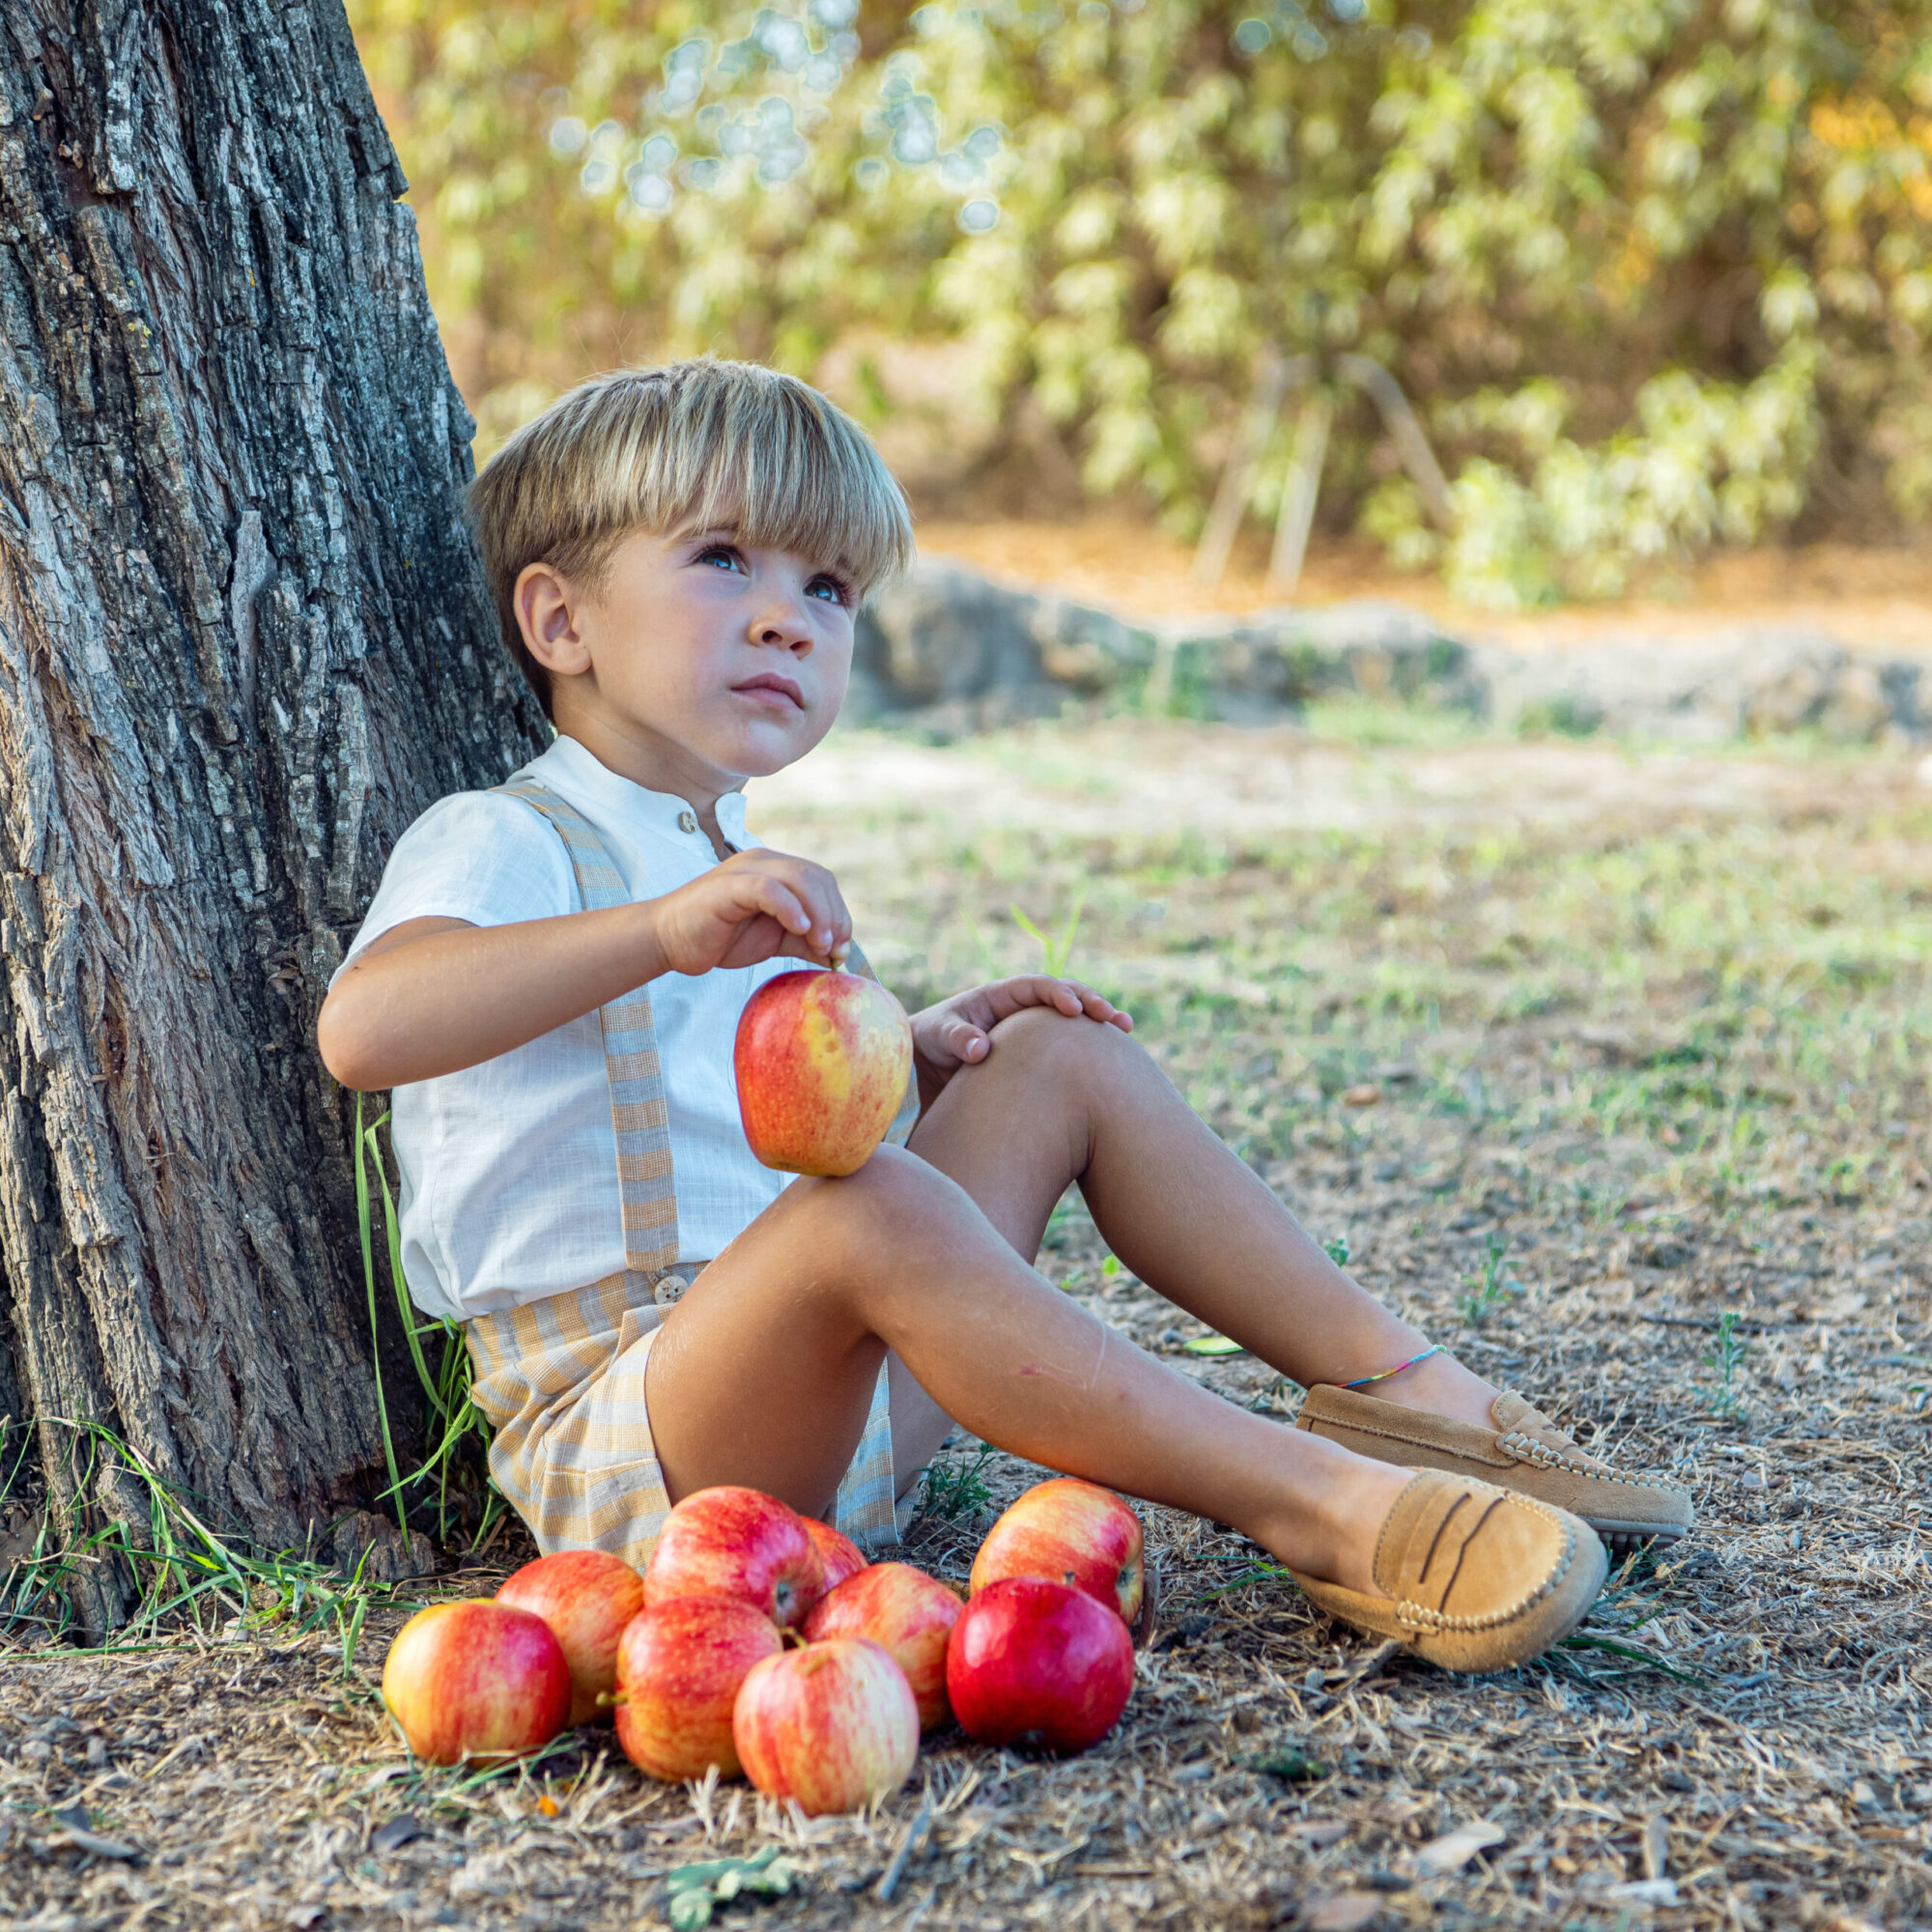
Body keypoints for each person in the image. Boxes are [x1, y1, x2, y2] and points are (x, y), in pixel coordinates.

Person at [317, 359, 1690, 1674]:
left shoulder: (730, 861)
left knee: (1058, 1055)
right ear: (560, 621)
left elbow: (728, 1134)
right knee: (873, 1212)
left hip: (824, 1397)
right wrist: (658, 935)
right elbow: (368, 1028)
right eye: (724, 557)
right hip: (636, 1449)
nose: (788, 615)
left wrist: (905, 1061)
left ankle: (1413, 1396)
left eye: (829, 585)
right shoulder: (506, 835)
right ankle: (1322, 1506)